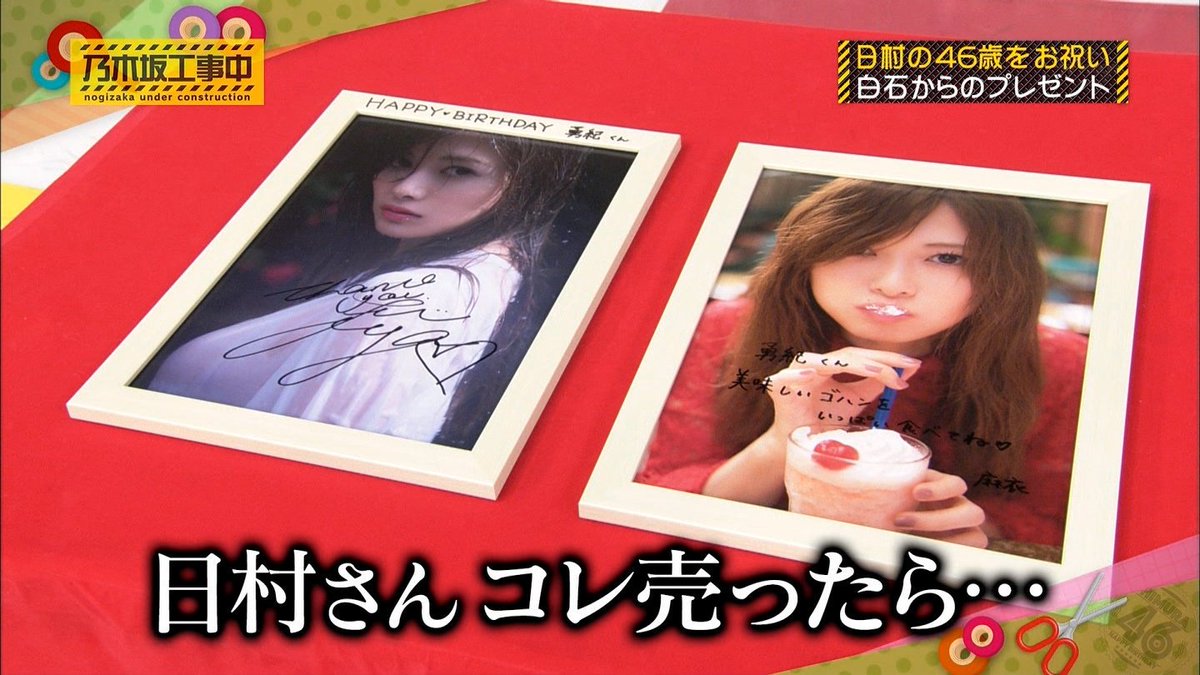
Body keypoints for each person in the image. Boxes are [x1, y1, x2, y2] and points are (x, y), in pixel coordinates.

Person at [636, 178, 1087, 552]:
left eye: (946, 257)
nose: (893, 285)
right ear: (806, 252)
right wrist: (784, 438)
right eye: (864, 248)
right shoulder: (727, 330)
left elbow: (1061, 527)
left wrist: (974, 529)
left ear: (1002, 273)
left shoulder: (1061, 364)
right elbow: (657, 499)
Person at [146, 125, 584, 448]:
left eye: (457, 170)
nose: (407, 188)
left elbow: (324, 452)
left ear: (522, 188)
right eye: (401, 162)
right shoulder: (472, 280)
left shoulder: (421, 297)